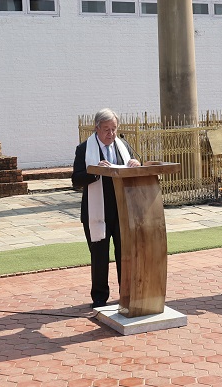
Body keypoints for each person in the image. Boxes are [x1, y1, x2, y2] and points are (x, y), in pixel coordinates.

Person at [71, 109, 141, 308]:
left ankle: (126, 293)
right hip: (96, 211)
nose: (111, 134)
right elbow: (76, 180)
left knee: (124, 254)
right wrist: (95, 172)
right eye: (106, 129)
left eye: (114, 129)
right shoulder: (84, 148)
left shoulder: (123, 145)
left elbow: (133, 166)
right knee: (100, 256)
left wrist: (137, 164)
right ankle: (100, 298)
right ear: (96, 128)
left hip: (122, 210)